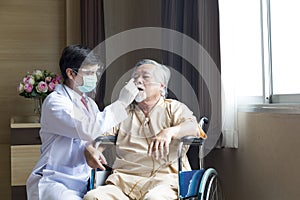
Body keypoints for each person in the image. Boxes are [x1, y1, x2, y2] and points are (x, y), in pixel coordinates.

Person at [26, 44, 139, 200]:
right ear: (71, 73)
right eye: (90, 73)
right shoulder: (55, 103)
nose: (95, 78)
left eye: (96, 72)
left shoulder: (89, 104)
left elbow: (98, 134)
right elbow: (88, 129)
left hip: (82, 181)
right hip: (55, 181)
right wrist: (121, 103)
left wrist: (93, 148)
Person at [84, 59, 206, 200]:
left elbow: (193, 128)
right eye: (135, 78)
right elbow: (100, 137)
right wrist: (92, 150)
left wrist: (169, 132)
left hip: (164, 181)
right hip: (124, 182)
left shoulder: (174, 108)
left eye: (146, 77)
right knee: (93, 197)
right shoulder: (122, 112)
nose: (138, 81)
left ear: (162, 86)